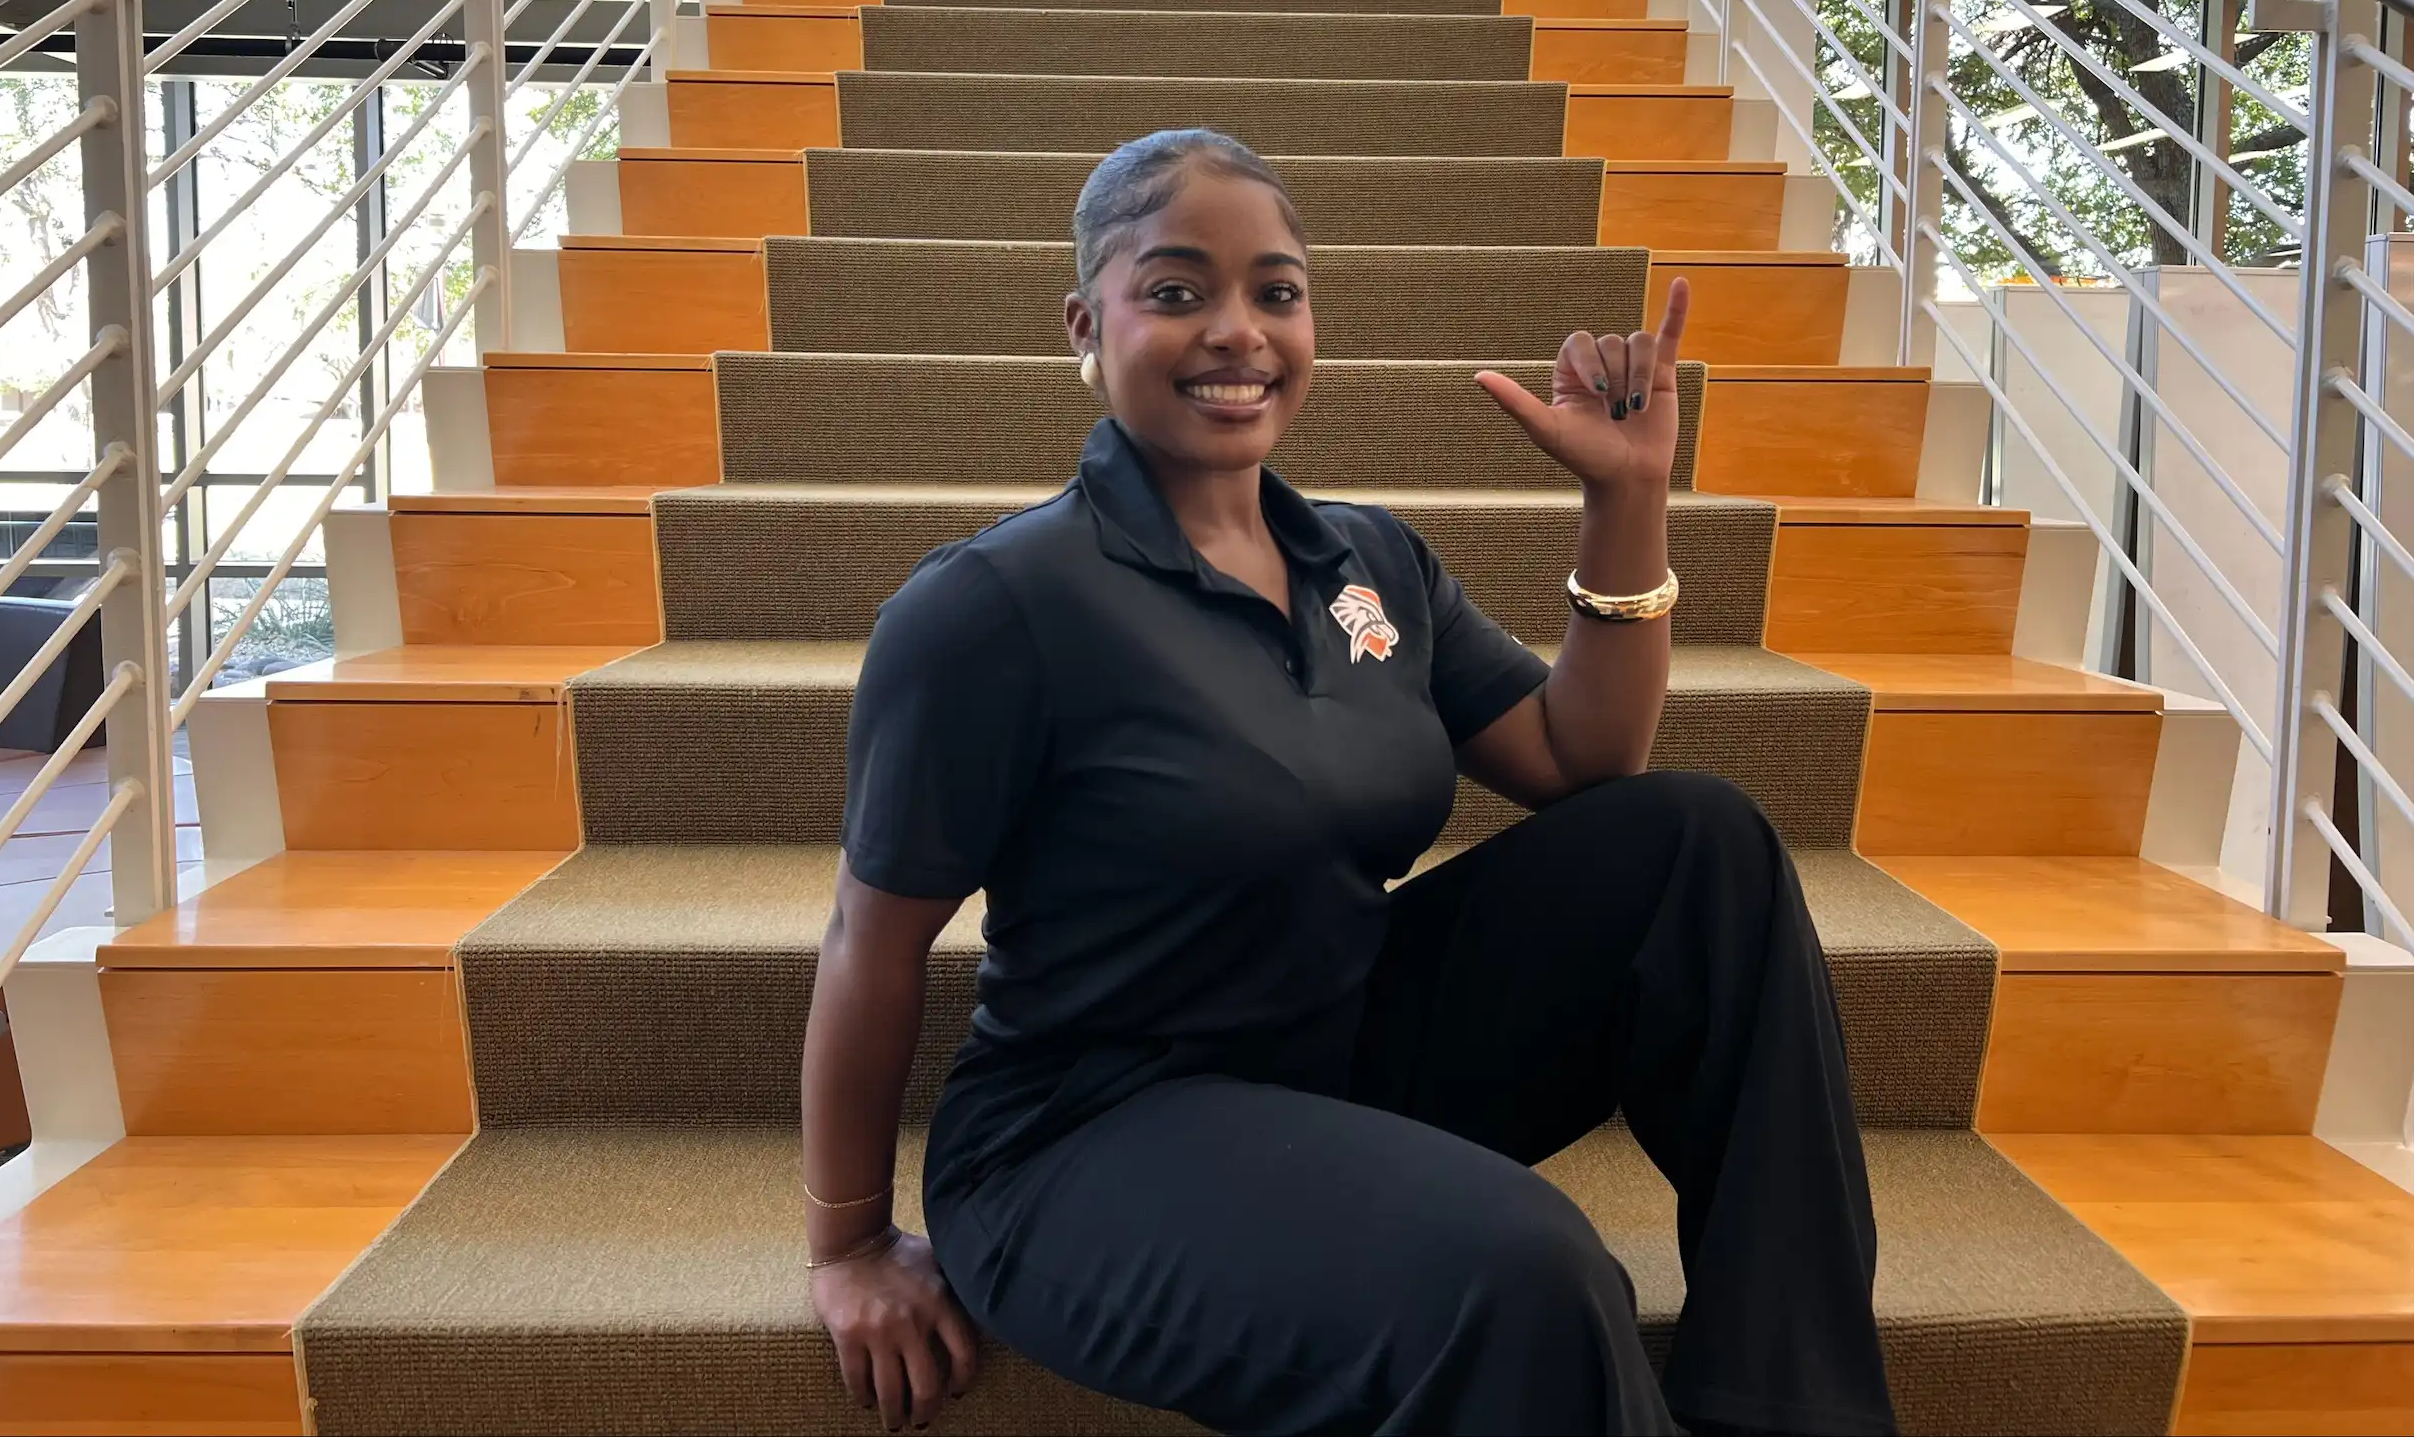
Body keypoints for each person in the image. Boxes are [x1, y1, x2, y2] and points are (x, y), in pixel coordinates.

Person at [799, 128, 1894, 1437]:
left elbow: (1581, 762)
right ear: (1086, 324)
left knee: (1701, 849)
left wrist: (1627, 500)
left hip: (1344, 1041)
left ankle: (1795, 1410)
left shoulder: (1364, 564)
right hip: (1093, 1131)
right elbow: (873, 939)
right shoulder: (994, 606)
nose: (1238, 332)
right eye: (1176, 290)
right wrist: (850, 1244)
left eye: (1276, 290)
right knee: (1525, 1272)